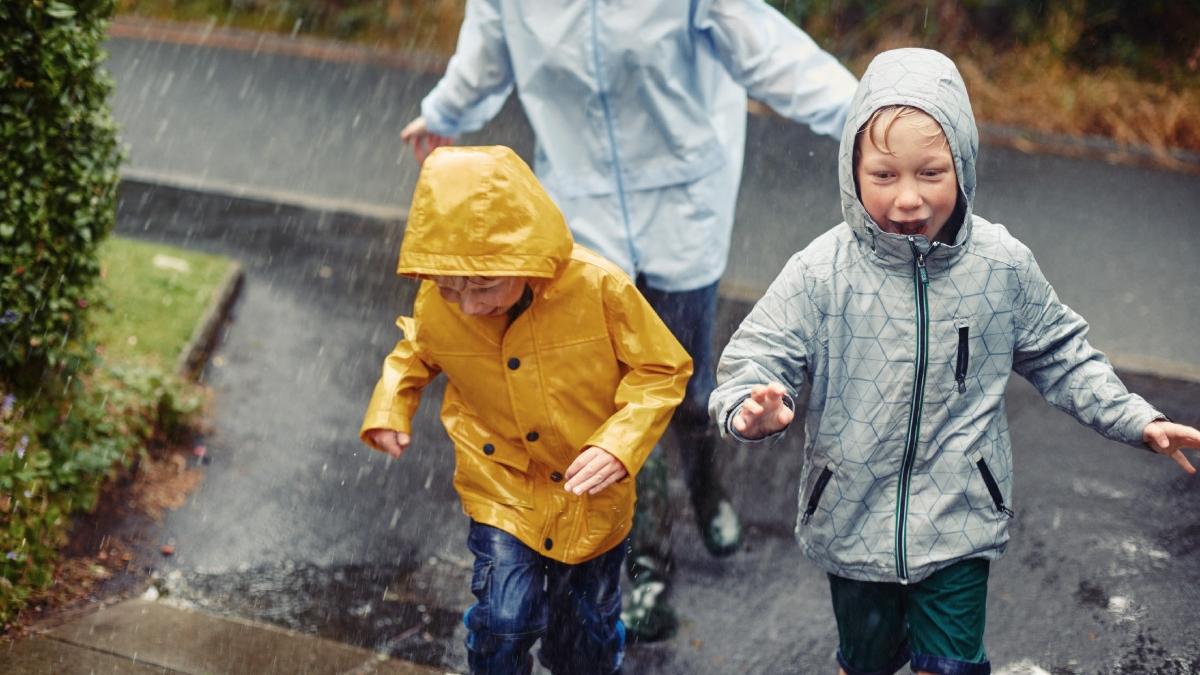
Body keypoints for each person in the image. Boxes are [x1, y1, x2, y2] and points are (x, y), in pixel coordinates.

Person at [708, 48, 1200, 675]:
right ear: (852, 169)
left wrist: (1135, 418)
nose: (908, 199)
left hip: (959, 516)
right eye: (884, 175)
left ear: (962, 166)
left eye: (930, 173)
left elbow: (1062, 354)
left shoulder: (1000, 266)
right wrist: (749, 411)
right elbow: (755, 358)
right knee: (867, 663)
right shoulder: (821, 272)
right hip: (852, 516)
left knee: (954, 667)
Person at [398, 1, 858, 640]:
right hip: (581, 207)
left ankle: (706, 485)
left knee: (685, 378)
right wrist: (445, 113)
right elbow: (483, 61)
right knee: (609, 394)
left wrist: (871, 116)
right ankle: (649, 563)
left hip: (684, 196)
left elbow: (773, 53)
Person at [360, 145, 691, 675]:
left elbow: (662, 368)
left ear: (526, 253)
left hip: (590, 489)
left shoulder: (598, 287)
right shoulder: (437, 301)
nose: (469, 305)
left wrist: (618, 442)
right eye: (450, 289)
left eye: (485, 285)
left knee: (582, 634)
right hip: (501, 481)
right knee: (505, 617)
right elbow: (416, 350)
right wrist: (390, 405)